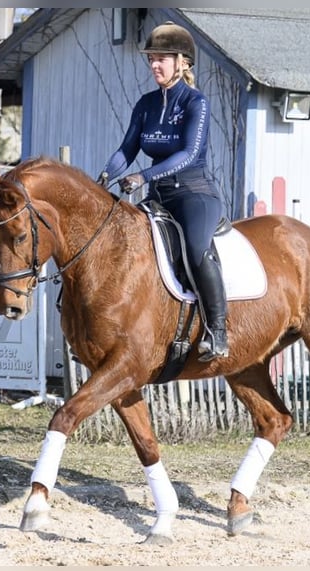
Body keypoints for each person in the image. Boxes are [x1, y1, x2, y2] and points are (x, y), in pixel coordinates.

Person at [97, 21, 229, 362]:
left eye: (162, 59)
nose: (154, 65)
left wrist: (142, 176)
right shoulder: (146, 104)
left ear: (183, 62)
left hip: (194, 194)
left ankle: (218, 330)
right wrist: (104, 176)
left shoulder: (195, 102)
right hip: (158, 196)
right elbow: (126, 149)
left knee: (198, 248)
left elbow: (187, 154)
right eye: (151, 59)